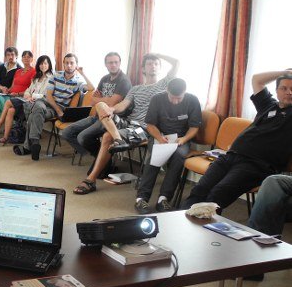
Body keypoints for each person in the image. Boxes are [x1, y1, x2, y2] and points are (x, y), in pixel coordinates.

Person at [73, 52, 180, 195]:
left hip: (144, 128)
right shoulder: (136, 89)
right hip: (128, 122)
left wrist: (157, 54)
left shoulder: (164, 84)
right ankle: (118, 139)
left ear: (159, 67)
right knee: (101, 105)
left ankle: (90, 180)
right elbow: (123, 105)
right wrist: (111, 109)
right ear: (143, 69)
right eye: (149, 64)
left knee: (107, 137)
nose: (153, 66)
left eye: (156, 64)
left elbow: (176, 62)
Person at [183, 70, 292, 210]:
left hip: (257, 165)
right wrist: (285, 72)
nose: (289, 92)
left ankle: (201, 222)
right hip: (230, 156)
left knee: (217, 195)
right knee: (200, 189)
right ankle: (181, 220)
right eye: (284, 88)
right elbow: (257, 79)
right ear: (276, 91)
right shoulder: (268, 105)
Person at [134, 78, 201, 214]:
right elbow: (150, 125)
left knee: (179, 156)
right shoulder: (157, 99)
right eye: (172, 98)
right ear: (167, 91)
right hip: (159, 136)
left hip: (181, 139)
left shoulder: (192, 100)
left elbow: (194, 127)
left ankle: (163, 199)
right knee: (155, 156)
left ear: (185, 92)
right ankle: (141, 198)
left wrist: (184, 139)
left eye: (179, 98)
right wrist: (159, 138)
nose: (175, 101)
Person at [16, 53, 93, 160]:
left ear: (76, 65)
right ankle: (34, 142)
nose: (69, 65)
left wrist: (82, 73)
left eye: (72, 63)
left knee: (34, 114)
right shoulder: (56, 76)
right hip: (47, 103)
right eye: (66, 63)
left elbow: (91, 88)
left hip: (58, 109)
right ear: (63, 64)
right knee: (38, 105)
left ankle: (32, 144)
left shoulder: (78, 81)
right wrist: (58, 111)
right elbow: (48, 95)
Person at [61, 52, 132, 158]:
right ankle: (97, 156)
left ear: (120, 63)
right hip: (97, 116)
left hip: (111, 119)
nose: (113, 65)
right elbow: (92, 101)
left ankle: (102, 160)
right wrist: (104, 99)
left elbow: (111, 104)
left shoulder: (124, 80)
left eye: (116, 62)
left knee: (82, 137)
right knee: (67, 132)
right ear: (106, 64)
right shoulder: (105, 78)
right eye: (110, 62)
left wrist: (100, 99)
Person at [0, 55, 53, 145]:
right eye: (41, 64)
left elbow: (45, 95)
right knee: (11, 110)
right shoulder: (37, 77)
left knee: (8, 102)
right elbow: (28, 90)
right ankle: (5, 138)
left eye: (45, 63)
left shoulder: (51, 78)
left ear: (49, 65)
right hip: (28, 100)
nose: (43, 66)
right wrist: (28, 96)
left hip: (38, 103)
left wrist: (32, 96)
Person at [0, 50, 35, 136]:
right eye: (24, 57)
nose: (26, 58)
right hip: (11, 94)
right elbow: (12, 86)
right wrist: (5, 90)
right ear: (21, 58)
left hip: (21, 97)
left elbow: (31, 90)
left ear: (32, 59)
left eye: (28, 57)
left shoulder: (34, 71)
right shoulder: (18, 71)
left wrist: (18, 94)